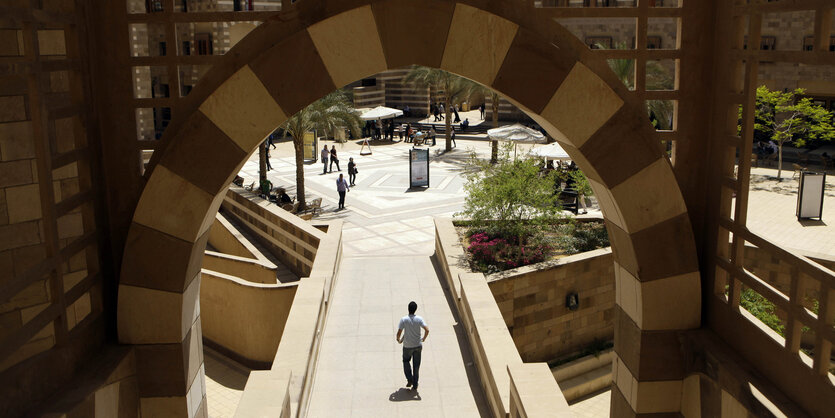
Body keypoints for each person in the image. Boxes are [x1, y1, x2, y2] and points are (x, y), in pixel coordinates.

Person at [397, 301, 429, 391]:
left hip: (407, 346)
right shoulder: (419, 319)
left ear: (408, 309)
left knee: (406, 361)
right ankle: (415, 384)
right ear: (415, 309)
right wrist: (423, 338)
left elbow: (399, 332)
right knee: (416, 365)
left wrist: (398, 339)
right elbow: (427, 330)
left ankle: (409, 379)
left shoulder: (404, 319)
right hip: (418, 345)